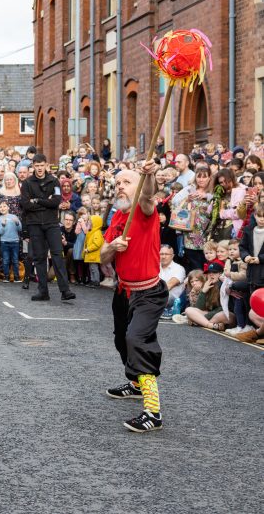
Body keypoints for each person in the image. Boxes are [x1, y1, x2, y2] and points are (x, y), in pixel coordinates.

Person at [100, 160, 168, 433]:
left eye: (126, 182)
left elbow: (149, 194)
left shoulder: (143, 210)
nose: (120, 187)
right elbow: (102, 255)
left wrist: (148, 175)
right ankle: (137, 384)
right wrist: (113, 247)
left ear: (137, 185)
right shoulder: (117, 217)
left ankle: (153, 413)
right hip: (123, 291)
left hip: (149, 292)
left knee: (137, 341)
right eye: (117, 184)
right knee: (121, 340)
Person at [20, 154, 75, 301]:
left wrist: (37, 201)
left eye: (41, 165)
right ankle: (43, 291)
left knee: (57, 255)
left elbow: (56, 201)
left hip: (51, 223)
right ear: (33, 166)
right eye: (36, 166)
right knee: (39, 258)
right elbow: (25, 204)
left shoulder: (54, 181)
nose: (39, 168)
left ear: (46, 165)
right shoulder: (27, 183)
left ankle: (65, 291)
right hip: (35, 224)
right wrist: (46, 202)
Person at [0, 201, 21, 283]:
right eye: (0, 207)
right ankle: (6, 277)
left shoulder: (14, 216)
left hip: (15, 242)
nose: (2, 208)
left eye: (4, 206)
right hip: (4, 242)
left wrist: (17, 222)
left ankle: (16, 277)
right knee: (6, 260)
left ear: (8, 207)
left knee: (15, 260)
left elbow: (20, 229)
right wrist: (3, 225)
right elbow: (0, 232)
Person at [158, 244, 186, 313]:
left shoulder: (179, 268)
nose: (164, 257)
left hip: (172, 301)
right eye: (161, 254)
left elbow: (168, 286)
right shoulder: (154, 267)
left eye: (167, 254)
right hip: (157, 298)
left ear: (172, 256)